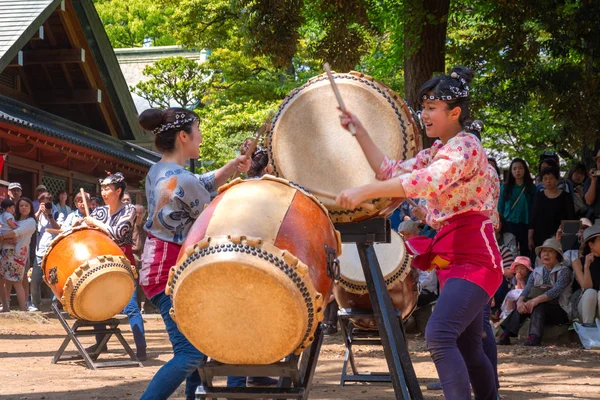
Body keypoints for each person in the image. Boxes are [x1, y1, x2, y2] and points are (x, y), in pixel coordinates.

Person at [335, 67, 502, 400]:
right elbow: (391, 170)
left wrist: (367, 191)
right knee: (469, 348)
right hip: (452, 258)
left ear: (454, 112)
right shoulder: (435, 152)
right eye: (423, 107)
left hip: (476, 257)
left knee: (440, 335)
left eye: (431, 108)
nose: (424, 114)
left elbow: (428, 181)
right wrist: (358, 131)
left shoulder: (465, 147)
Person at [137, 107, 250, 400]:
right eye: (198, 132)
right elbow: (213, 212)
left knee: (198, 348)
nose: (201, 137)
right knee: (190, 353)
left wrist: (231, 167)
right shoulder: (183, 180)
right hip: (168, 271)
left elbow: (200, 185)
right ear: (184, 136)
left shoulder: (158, 170)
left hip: (158, 265)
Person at [77, 172, 146, 360]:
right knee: (98, 303)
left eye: (108, 188)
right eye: (103, 188)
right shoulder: (99, 211)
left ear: (118, 190)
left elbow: (117, 233)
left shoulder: (129, 210)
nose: (104, 191)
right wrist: (81, 224)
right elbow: (89, 231)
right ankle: (101, 344)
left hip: (122, 262)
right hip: (101, 261)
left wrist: (95, 223)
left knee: (130, 306)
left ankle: (141, 348)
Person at [497, 238, 573, 346]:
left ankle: (534, 337)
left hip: (560, 312)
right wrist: (520, 302)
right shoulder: (536, 271)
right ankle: (506, 334)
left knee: (539, 304)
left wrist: (535, 301)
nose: (546, 254)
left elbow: (556, 291)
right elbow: (527, 289)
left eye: (550, 251)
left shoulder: (564, 271)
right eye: (544, 251)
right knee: (526, 303)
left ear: (557, 255)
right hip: (538, 309)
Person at [529, 166, 575, 256]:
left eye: (551, 178)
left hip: (560, 237)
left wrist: (567, 239)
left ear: (557, 180)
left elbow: (571, 219)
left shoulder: (566, 196)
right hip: (540, 236)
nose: (548, 181)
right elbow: (533, 217)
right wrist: (530, 237)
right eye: (545, 179)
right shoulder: (539, 196)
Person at [0, 198, 37, 312]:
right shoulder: (13, 219)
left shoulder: (31, 221)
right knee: (2, 280)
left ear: (31, 208)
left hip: (18, 253)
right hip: (5, 251)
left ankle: (23, 309)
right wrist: (4, 239)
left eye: (26, 205)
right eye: (21, 206)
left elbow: (16, 233)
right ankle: (5, 307)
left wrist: (2, 237)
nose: (24, 208)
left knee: (16, 281)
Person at [29, 192, 64, 311]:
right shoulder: (37, 215)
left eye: (49, 200)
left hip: (52, 252)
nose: (47, 202)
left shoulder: (58, 212)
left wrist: (50, 216)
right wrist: (39, 211)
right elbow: (30, 222)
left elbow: (58, 228)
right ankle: (35, 305)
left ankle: (55, 305)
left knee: (53, 280)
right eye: (43, 201)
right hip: (39, 252)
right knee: (34, 281)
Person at [498, 158, 536, 257]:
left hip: (526, 224)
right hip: (509, 223)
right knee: (510, 251)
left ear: (525, 170)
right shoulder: (505, 187)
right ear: (511, 171)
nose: (517, 171)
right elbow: (500, 207)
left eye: (520, 168)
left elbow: (534, 208)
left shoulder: (531, 187)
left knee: (525, 252)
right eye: (514, 169)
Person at [571, 222, 600, 325]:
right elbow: (586, 287)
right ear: (591, 244)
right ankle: (588, 330)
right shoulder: (578, 262)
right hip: (584, 305)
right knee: (591, 293)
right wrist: (587, 266)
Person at [0, 199, 19, 311]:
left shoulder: (3, 215)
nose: (13, 209)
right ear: (7, 208)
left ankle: (5, 305)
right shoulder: (8, 215)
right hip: (7, 239)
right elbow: (12, 225)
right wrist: (18, 229)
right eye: (12, 207)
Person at [584, 149, 600, 223]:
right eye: (599, 162)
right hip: (595, 219)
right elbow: (589, 201)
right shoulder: (590, 180)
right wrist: (593, 181)